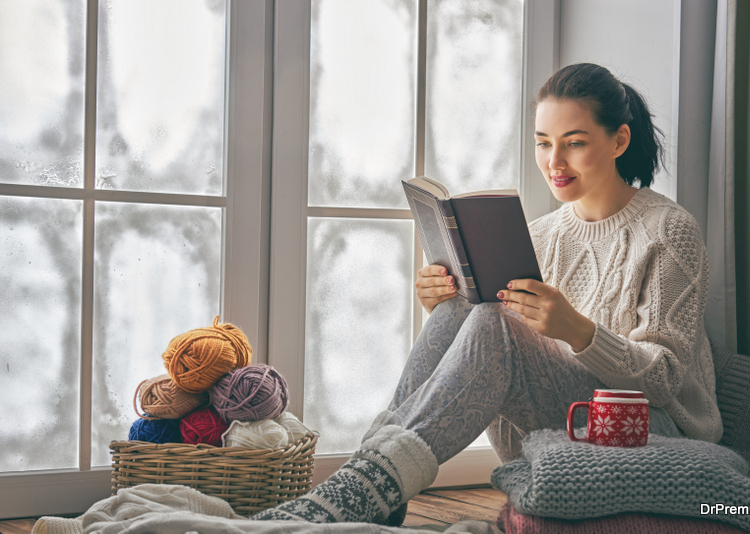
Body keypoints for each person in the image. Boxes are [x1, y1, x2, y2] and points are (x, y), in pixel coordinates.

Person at [253, 63, 723, 525]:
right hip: (559, 423)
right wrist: (440, 300)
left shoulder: (669, 231)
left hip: (650, 435)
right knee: (470, 302)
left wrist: (578, 331)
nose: (554, 162)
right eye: (543, 144)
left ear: (618, 140)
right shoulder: (539, 235)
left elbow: (664, 380)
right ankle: (371, 479)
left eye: (574, 143)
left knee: (495, 319)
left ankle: (364, 486)